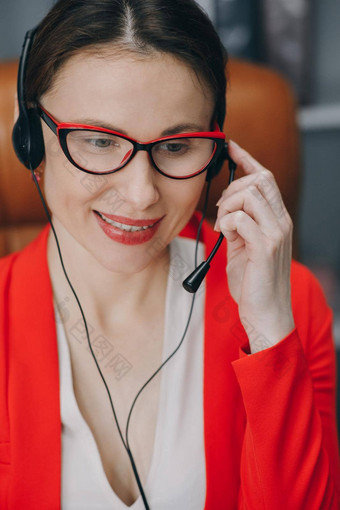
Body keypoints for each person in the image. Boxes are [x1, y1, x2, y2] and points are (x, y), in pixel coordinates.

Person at [1, 0, 339, 508]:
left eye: (177, 146)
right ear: (29, 138)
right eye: (97, 140)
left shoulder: (290, 304)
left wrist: (269, 336)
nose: (141, 195)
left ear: (218, 150)